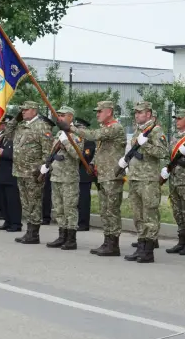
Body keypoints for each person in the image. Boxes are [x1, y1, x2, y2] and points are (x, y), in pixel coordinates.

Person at [60, 101, 126, 256]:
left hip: (112, 176)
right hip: (104, 175)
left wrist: (71, 128)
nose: (97, 114)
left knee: (112, 211)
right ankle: (107, 241)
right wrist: (93, 164)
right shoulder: (106, 128)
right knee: (105, 211)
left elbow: (93, 135)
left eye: (100, 111)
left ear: (109, 112)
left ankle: (113, 244)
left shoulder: (115, 127)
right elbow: (100, 151)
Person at [118, 101, 168, 263]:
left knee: (150, 214)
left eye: (140, 112)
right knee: (138, 215)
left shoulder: (156, 130)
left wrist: (146, 145)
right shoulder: (138, 130)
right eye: (136, 112)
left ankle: (148, 250)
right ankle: (140, 246)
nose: (137, 115)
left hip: (148, 179)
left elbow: (162, 152)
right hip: (134, 177)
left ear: (148, 114)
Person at [2, 101, 53, 244]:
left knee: (34, 203)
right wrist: (15, 120)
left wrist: (42, 170)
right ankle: (29, 231)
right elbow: (7, 134)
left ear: (34, 111)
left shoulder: (42, 126)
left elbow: (47, 152)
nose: (22, 112)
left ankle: (34, 234)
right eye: (21, 110)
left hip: (33, 172)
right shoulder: (21, 126)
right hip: (20, 171)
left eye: (25, 110)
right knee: (25, 203)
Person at [43, 106, 83, 250]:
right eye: (58, 115)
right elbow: (52, 152)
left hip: (69, 178)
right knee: (59, 209)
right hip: (56, 176)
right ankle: (62, 236)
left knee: (69, 209)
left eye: (62, 115)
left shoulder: (76, 133)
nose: (59, 117)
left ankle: (71, 239)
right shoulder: (60, 132)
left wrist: (66, 141)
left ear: (70, 117)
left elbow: (78, 155)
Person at [161, 109, 185, 256]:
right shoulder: (174, 137)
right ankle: (181, 241)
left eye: (180, 119)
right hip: (174, 180)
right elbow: (168, 155)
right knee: (177, 212)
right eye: (176, 119)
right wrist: (165, 167)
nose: (177, 121)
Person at [0, 115, 22, 232]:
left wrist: (4, 153)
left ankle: (15, 223)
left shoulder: (18, 138)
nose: (6, 127)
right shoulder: (4, 138)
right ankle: (7, 220)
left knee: (13, 200)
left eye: (8, 125)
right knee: (4, 199)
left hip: (12, 173)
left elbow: (19, 155)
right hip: (2, 172)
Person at [75, 117, 95, 232]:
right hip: (75, 173)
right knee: (75, 200)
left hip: (84, 174)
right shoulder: (76, 140)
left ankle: (83, 223)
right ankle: (77, 221)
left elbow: (86, 155)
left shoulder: (89, 140)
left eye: (80, 128)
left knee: (83, 201)